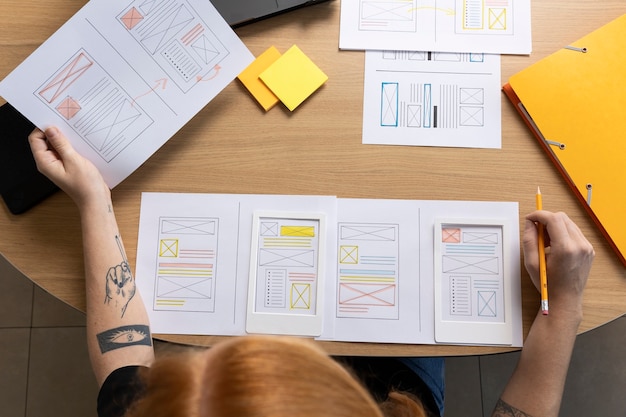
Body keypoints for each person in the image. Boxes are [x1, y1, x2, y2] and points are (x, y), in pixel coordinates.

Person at [28, 126, 595, 417]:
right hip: (400, 386)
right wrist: (563, 303)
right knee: (415, 308)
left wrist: (94, 201)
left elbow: (122, 362)